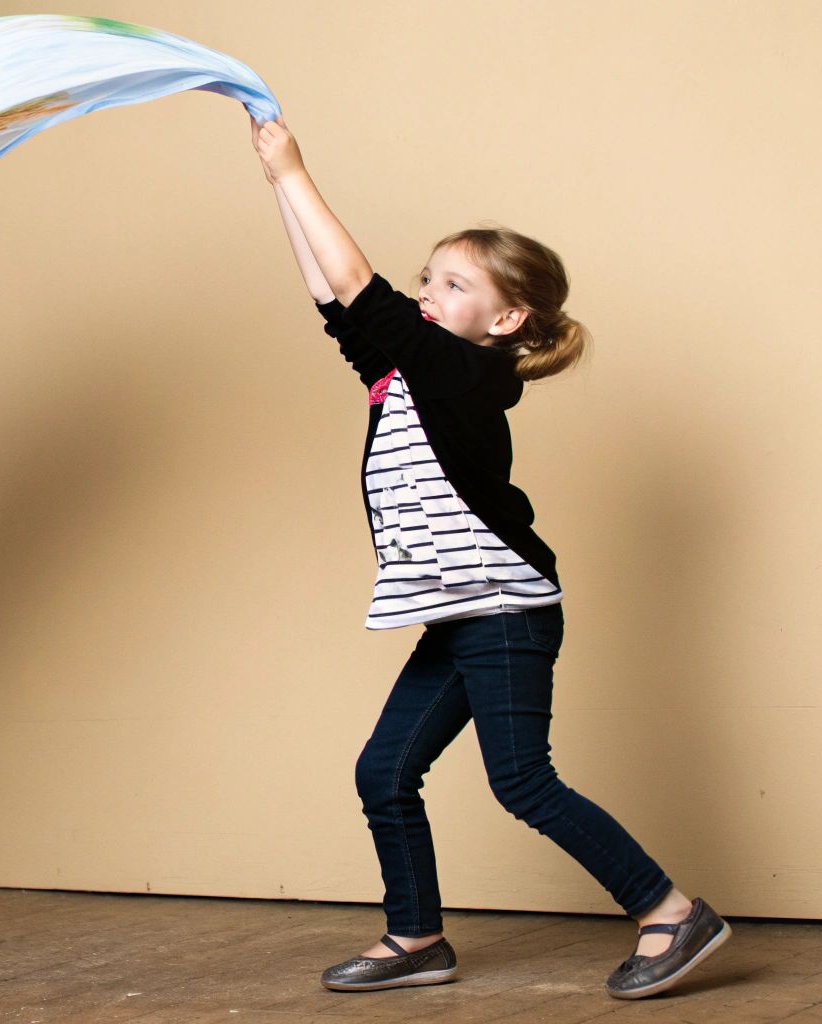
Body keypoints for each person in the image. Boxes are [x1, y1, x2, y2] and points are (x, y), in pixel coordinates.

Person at [249, 114, 732, 1000]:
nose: (427, 291)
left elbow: (361, 289)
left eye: (451, 283)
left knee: (521, 781)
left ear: (505, 319)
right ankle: (417, 936)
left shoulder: (471, 378)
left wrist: (301, 167)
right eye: (427, 278)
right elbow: (333, 296)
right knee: (384, 771)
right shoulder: (402, 373)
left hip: (506, 607)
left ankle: (670, 911)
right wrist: (278, 183)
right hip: (461, 607)